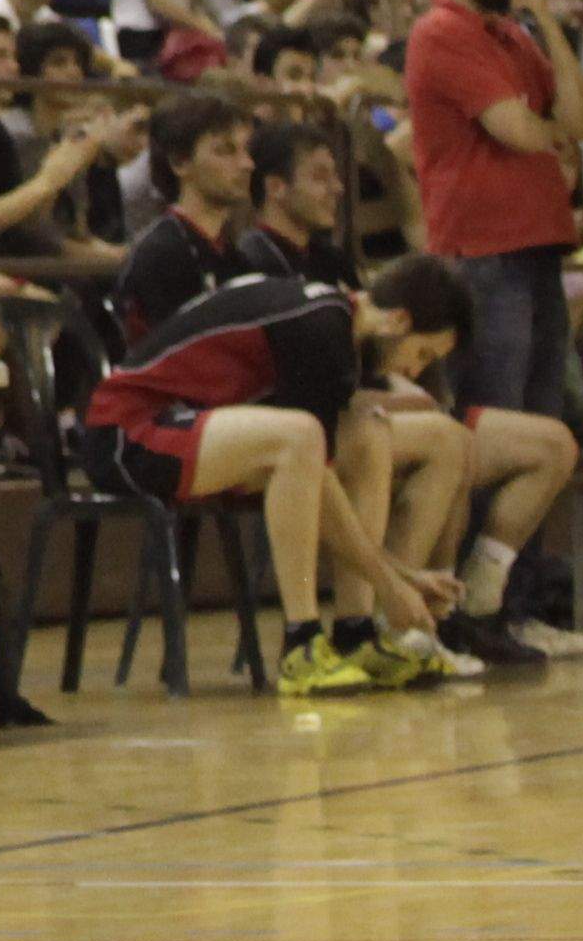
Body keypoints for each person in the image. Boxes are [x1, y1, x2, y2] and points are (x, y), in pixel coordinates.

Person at [79, 258, 470, 697]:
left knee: (367, 430)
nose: (414, 372)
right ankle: (301, 643)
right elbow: (316, 477)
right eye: (421, 354)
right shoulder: (321, 328)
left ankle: (354, 632)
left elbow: (319, 484)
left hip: (195, 427)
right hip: (129, 433)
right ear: (398, 320)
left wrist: (401, 578)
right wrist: (391, 583)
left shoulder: (334, 322)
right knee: (299, 435)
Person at [398, 0, 583, 423]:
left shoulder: (514, 35)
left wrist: (547, 20)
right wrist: (553, 136)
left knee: (543, 427)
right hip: (483, 253)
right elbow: (521, 132)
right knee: (496, 424)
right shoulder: (440, 30)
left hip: (538, 245)